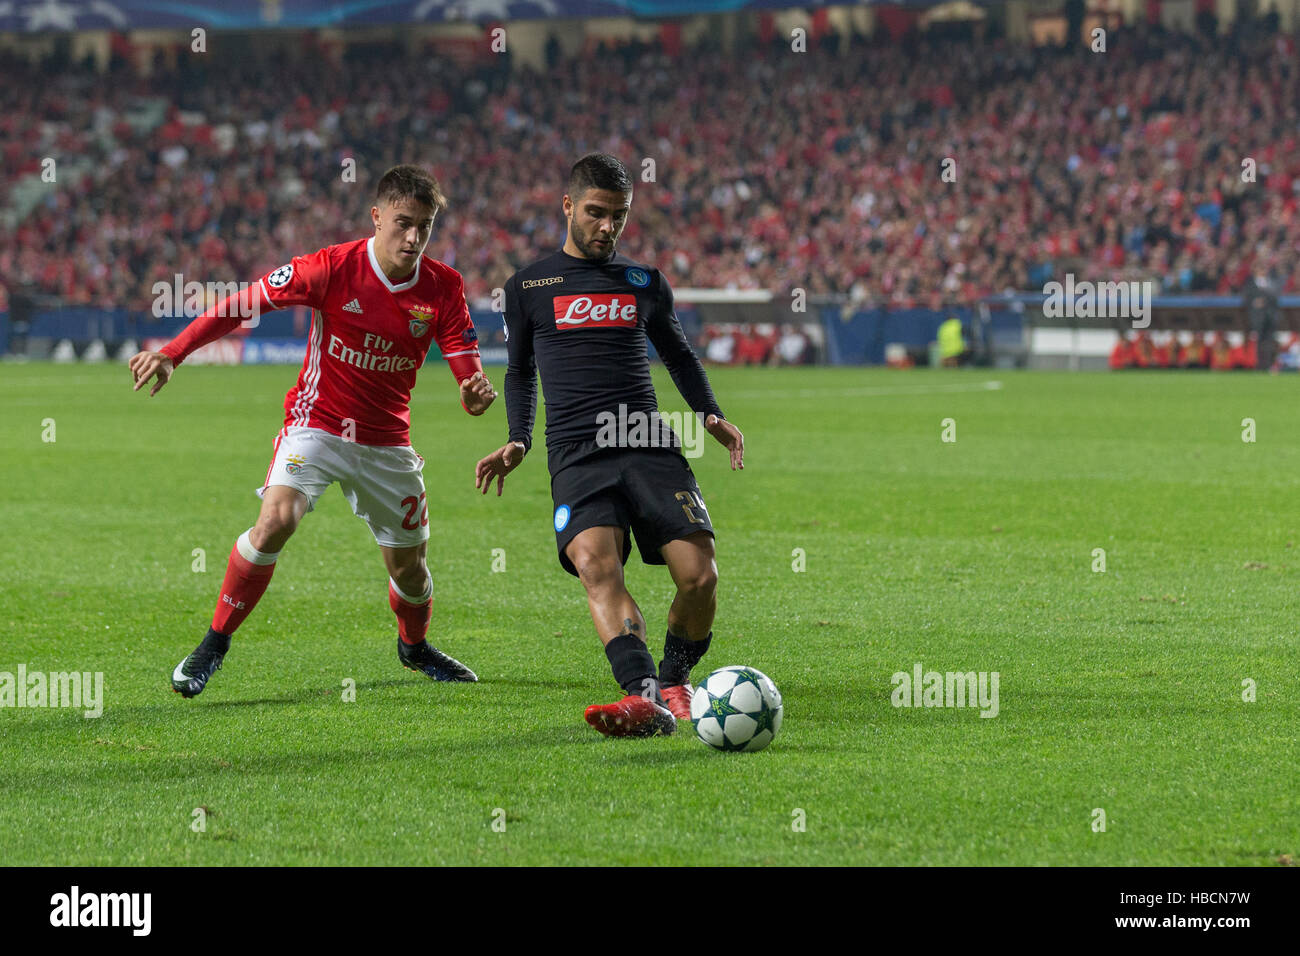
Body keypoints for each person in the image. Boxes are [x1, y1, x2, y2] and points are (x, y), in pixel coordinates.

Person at [129, 165, 495, 698]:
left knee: (410, 569)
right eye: (403, 222)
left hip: (387, 441)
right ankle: (213, 643)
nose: (414, 237)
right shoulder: (331, 267)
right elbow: (242, 304)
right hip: (317, 425)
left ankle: (413, 648)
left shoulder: (444, 287)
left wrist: (474, 394)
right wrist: (172, 352)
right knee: (276, 520)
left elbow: (469, 374)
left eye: (425, 225)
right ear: (376, 217)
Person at [474, 154, 745, 737]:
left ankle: (674, 678)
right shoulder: (528, 287)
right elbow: (520, 372)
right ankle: (644, 698)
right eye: (595, 213)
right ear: (568, 206)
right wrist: (518, 440)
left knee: (700, 576)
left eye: (618, 216)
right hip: (575, 451)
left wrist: (712, 417)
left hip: (647, 442)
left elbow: (678, 355)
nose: (607, 227)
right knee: (597, 565)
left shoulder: (645, 282)